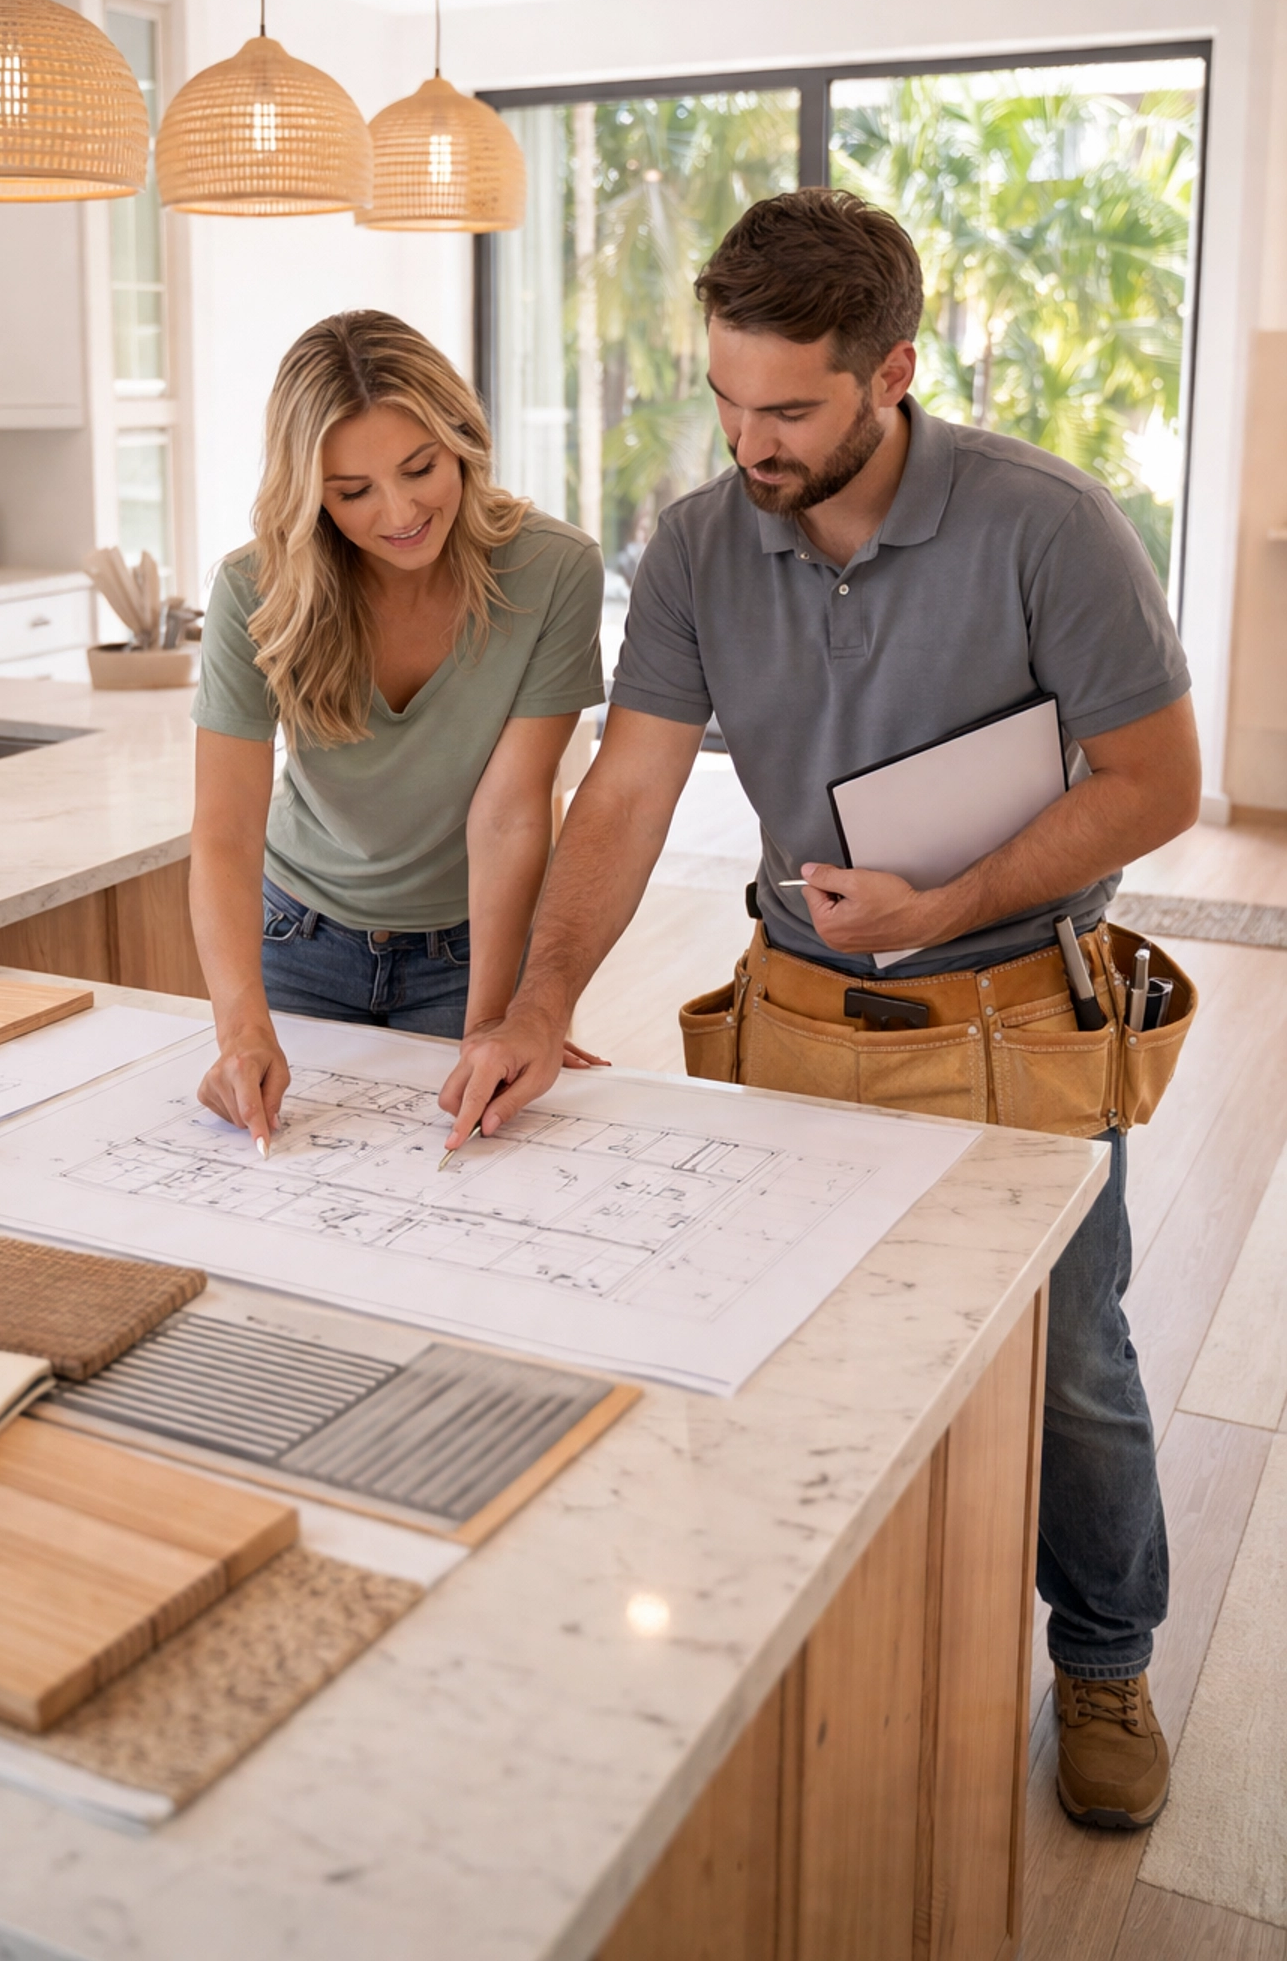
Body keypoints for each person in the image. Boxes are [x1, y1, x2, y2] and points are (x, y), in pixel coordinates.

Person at [441, 189, 1201, 1832]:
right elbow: (629, 790)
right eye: (725, 396)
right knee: (778, 1341)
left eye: (785, 406)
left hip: (1017, 1015)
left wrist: (947, 899)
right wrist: (540, 993)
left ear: (892, 369)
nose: (748, 437)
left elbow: (1159, 782)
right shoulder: (705, 538)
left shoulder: (1048, 523)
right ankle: (809, 1641)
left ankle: (1105, 1654)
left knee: (1070, 1360)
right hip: (794, 1017)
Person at [190, 308, 606, 1143]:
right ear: (311, 495)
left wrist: (495, 1022)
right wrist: (240, 1027)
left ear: (461, 438)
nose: (401, 510)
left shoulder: (555, 570)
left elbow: (514, 810)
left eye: (421, 468)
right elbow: (226, 832)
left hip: (470, 951)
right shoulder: (255, 591)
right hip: (297, 939)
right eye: (353, 492)